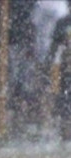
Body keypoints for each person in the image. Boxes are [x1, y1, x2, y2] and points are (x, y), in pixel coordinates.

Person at [48, 8, 71, 141]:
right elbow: (55, 45)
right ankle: (65, 132)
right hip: (66, 68)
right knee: (65, 101)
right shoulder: (63, 22)